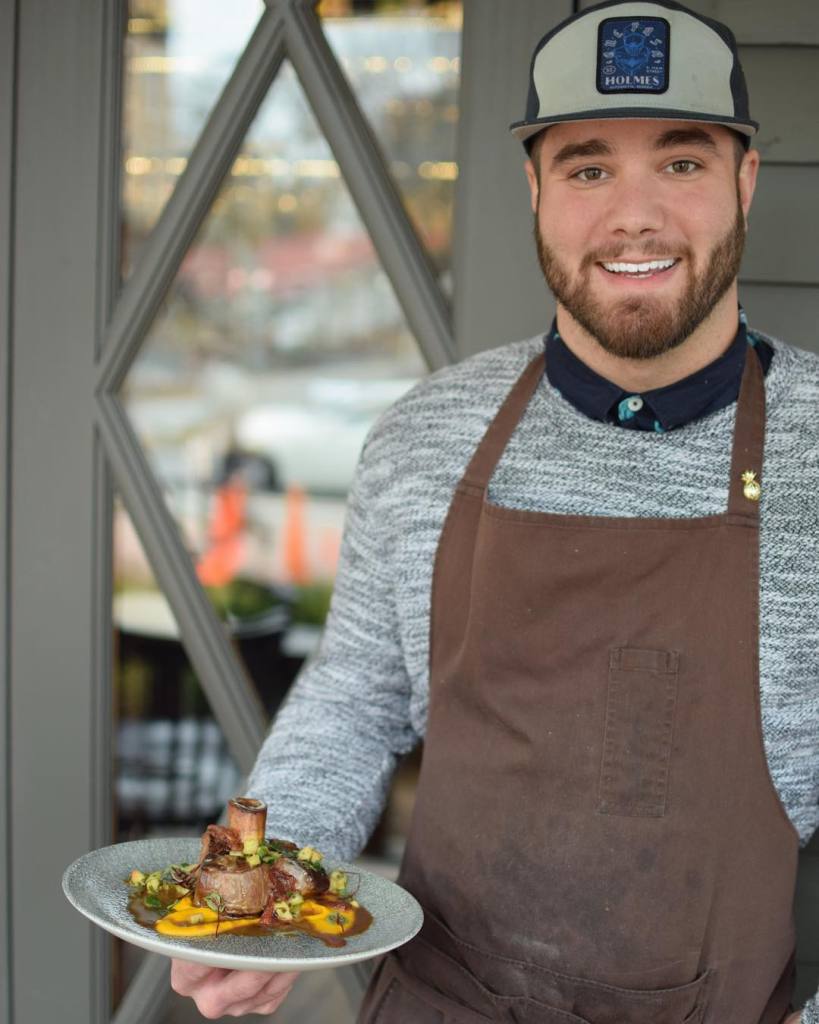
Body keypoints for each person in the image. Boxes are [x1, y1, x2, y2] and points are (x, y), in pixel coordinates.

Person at [171, 0, 818, 1020]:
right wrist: (249, 894)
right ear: (535, 188)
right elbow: (353, 698)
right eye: (589, 166)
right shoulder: (425, 437)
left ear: (745, 180)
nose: (633, 215)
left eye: (683, 163)